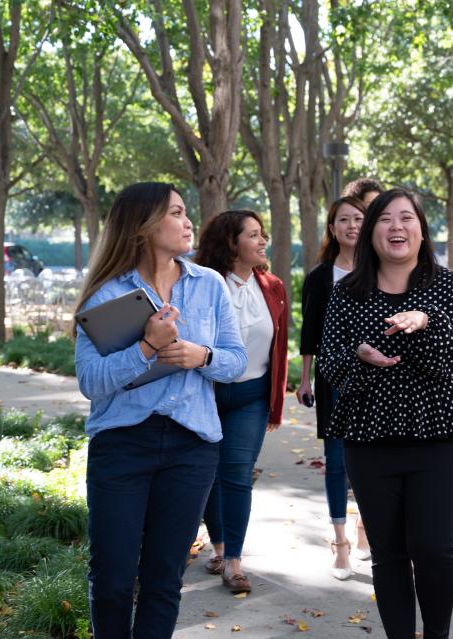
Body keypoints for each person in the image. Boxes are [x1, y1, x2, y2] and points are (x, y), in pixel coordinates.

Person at [74, 182, 247, 637]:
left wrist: (200, 356)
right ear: (144, 224)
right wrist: (148, 346)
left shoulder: (208, 284)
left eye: (185, 211)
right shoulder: (106, 294)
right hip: (122, 446)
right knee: (112, 578)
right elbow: (91, 382)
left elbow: (236, 360)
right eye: (176, 212)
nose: (188, 221)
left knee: (164, 581)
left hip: (192, 449)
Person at [319, 188, 453, 639]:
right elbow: (329, 364)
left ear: (421, 230)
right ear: (370, 233)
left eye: (406, 218)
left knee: (432, 549)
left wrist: (425, 324)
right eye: (385, 219)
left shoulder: (447, 286)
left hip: (438, 434)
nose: (396, 227)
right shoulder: (348, 292)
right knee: (388, 554)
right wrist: (360, 357)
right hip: (369, 438)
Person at [195, 210, 289, 594]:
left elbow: (279, 348)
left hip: (251, 396)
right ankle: (217, 548)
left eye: (262, 233)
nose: (263, 240)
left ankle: (233, 561)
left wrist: (275, 403)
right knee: (206, 475)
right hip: (206, 393)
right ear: (231, 243)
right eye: (253, 234)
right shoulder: (203, 284)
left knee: (236, 475)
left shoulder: (274, 286)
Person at [297, 196, 373, 580]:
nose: (352, 226)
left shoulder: (381, 270)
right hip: (334, 379)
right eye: (344, 220)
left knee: (372, 460)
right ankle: (341, 542)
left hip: (377, 379)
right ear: (332, 229)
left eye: (359, 218)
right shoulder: (319, 276)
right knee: (337, 461)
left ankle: (364, 530)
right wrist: (305, 377)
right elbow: (309, 331)